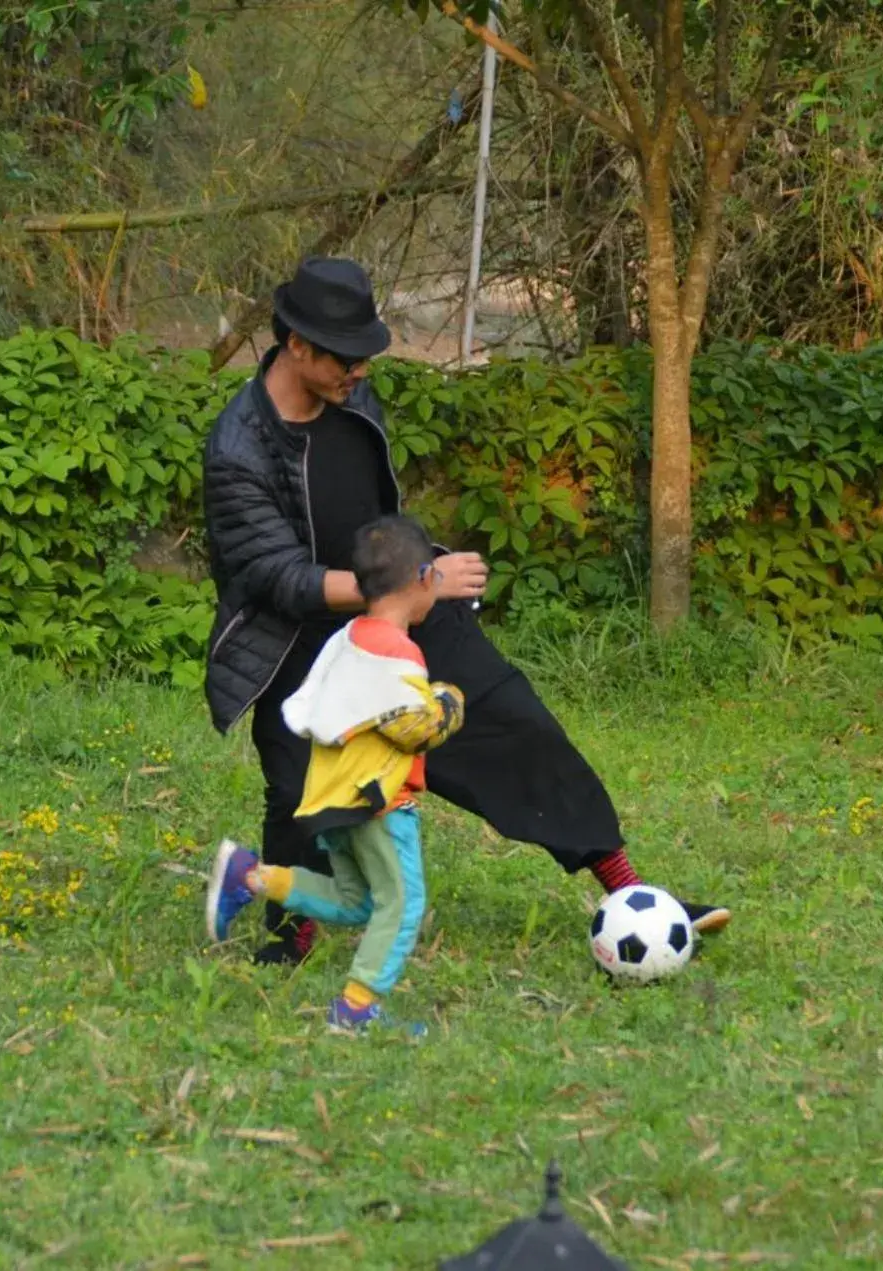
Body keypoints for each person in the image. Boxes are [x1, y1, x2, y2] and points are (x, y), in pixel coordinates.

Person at [202, 255, 729, 966]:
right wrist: (418, 575)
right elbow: (279, 578)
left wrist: (417, 582)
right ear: (298, 346)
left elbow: (374, 513)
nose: (361, 372)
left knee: (517, 724)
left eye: (365, 357)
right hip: (295, 640)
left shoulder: (353, 400)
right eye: (346, 358)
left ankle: (630, 893)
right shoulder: (238, 449)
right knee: (302, 784)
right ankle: (289, 927)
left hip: (406, 607)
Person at [205, 515, 462, 1032]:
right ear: (423, 578)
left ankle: (252, 877)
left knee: (355, 901)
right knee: (403, 903)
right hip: (378, 805)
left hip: (330, 796)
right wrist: (448, 702)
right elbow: (413, 727)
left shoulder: (350, 637)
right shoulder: (397, 652)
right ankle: (357, 1009)